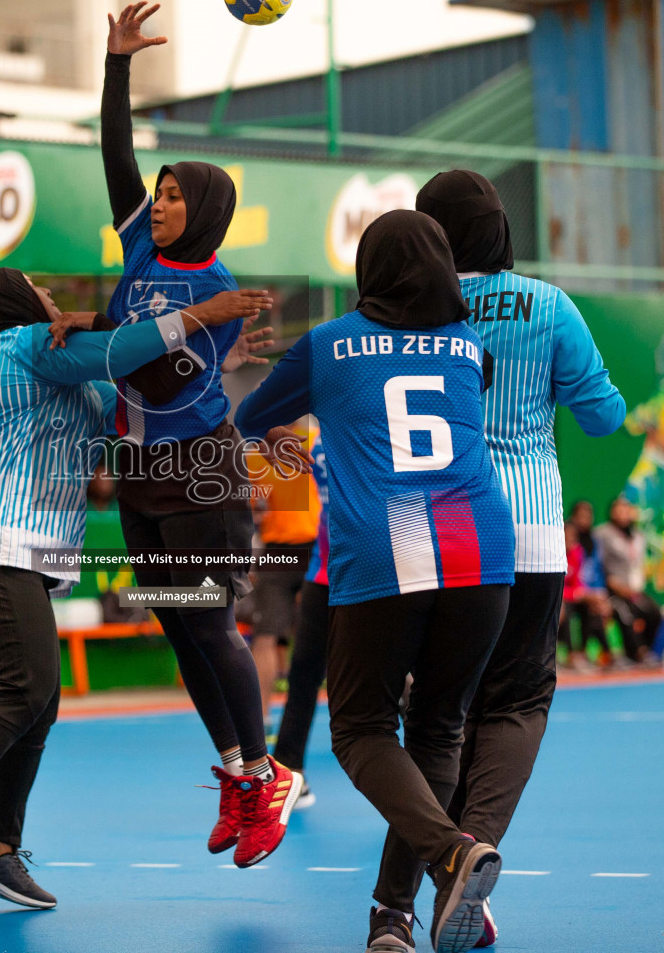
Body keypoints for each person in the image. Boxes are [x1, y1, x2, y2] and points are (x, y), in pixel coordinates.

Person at [0, 267, 271, 908]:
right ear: (14, 303)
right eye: (41, 289)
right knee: (24, 686)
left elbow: (141, 405)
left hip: (20, 549)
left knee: (40, 700)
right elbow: (121, 350)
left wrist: (208, 363)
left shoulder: (59, 368)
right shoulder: (24, 343)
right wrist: (207, 313)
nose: (54, 299)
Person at [235, 210, 515, 953]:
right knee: (438, 728)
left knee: (360, 729)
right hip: (482, 547)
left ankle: (451, 855)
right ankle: (391, 917)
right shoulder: (467, 346)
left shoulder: (327, 346)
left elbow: (252, 418)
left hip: (385, 546)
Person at [96, 0, 301, 867]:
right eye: (164, 192)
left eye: (178, 195)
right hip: (142, 475)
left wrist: (134, 335)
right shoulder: (145, 253)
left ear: (207, 209)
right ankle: (232, 770)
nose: (164, 202)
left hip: (200, 474)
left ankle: (266, 776)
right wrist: (117, 66)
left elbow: (142, 371)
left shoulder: (223, 292)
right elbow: (117, 158)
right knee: (177, 624)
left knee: (212, 624)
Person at [411, 170, 626, 946]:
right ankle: (472, 850)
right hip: (530, 534)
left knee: (440, 714)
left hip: (436, 534)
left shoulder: (413, 312)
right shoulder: (547, 304)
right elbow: (603, 417)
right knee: (518, 700)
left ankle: (443, 868)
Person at [244, 434, 320, 728]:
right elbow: (251, 507)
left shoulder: (315, 439)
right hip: (277, 552)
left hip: (317, 548)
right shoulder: (255, 454)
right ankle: (260, 719)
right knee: (265, 636)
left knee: (340, 632)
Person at [271, 432, 328, 809]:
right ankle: (289, 773)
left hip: (360, 567)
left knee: (386, 678)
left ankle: (434, 774)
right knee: (303, 674)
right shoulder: (313, 440)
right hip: (324, 568)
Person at [594, 496, 662, 662]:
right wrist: (613, 584)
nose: (622, 514)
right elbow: (596, 564)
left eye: (626, 510)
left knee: (654, 612)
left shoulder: (637, 535)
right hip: (613, 590)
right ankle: (636, 651)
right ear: (611, 512)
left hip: (635, 590)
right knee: (625, 613)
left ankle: (647, 650)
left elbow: (638, 563)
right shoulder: (602, 534)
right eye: (618, 510)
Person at [562, 505, 612, 671]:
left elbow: (578, 582)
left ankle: (600, 654)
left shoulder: (577, 552)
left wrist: (588, 596)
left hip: (574, 596)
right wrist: (578, 595)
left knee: (593, 609)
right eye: (566, 536)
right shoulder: (555, 555)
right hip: (561, 599)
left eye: (573, 536)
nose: (570, 539)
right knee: (565, 611)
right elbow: (557, 588)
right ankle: (570, 655)